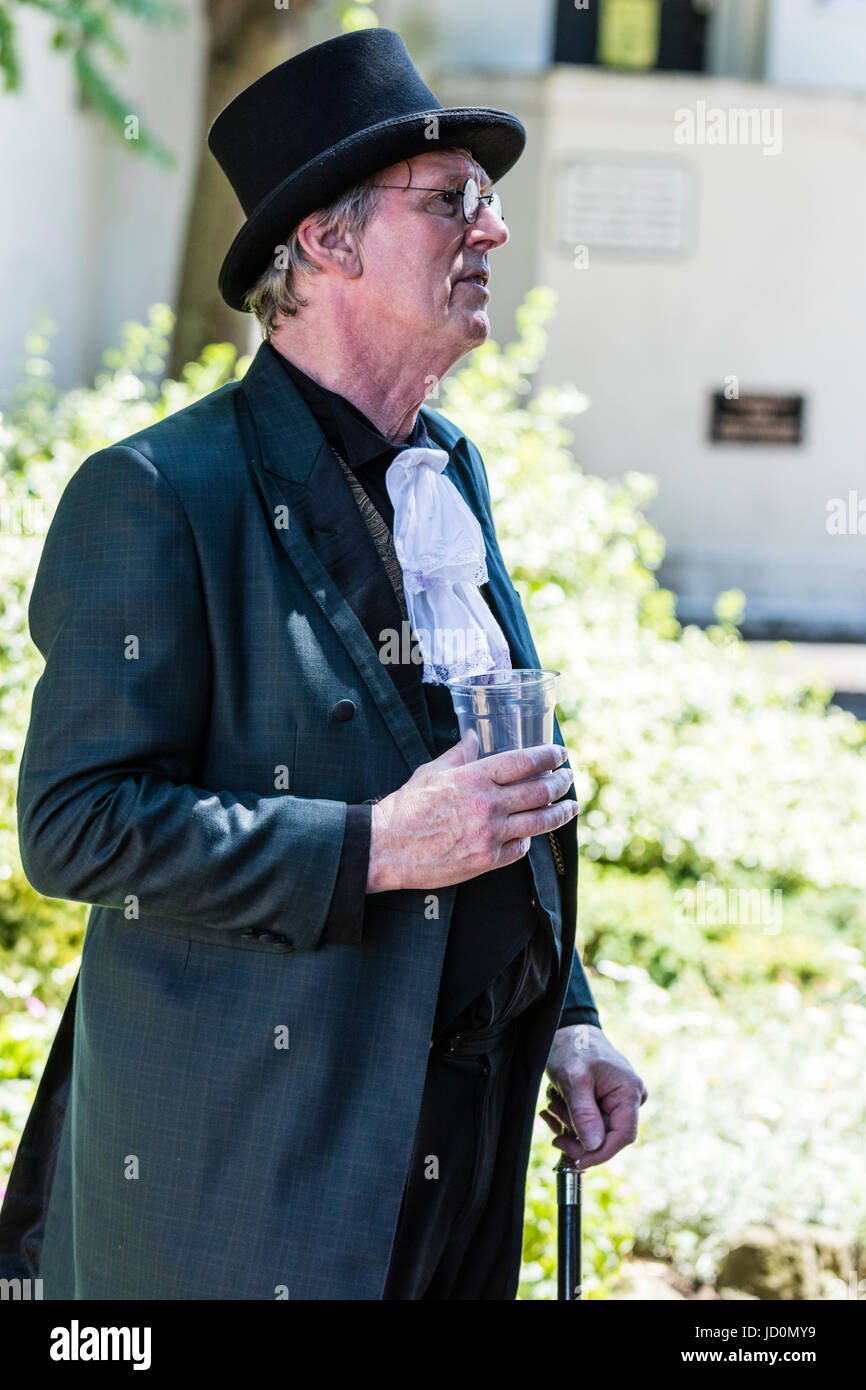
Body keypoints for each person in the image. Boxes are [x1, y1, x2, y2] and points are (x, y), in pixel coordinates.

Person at [0, 27, 646, 1301]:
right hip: (253, 1180)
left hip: (454, 1145)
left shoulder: (447, 471)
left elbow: (482, 797)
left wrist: (564, 1012)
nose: (491, 232)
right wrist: (368, 847)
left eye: (488, 199)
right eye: (452, 200)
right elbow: (75, 827)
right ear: (328, 242)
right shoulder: (154, 494)